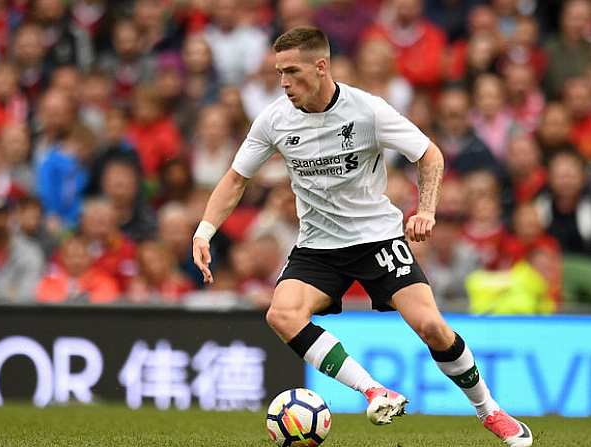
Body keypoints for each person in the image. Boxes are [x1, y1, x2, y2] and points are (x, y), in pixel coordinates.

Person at [191, 27, 532, 446]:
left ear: (321, 67)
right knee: (281, 314)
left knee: (432, 327)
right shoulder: (274, 120)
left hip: (377, 240)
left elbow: (429, 155)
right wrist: (205, 230)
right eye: (278, 72)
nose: (283, 83)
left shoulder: (367, 111)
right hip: (318, 246)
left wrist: (425, 209)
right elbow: (236, 178)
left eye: (291, 71)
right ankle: (374, 390)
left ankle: (491, 412)